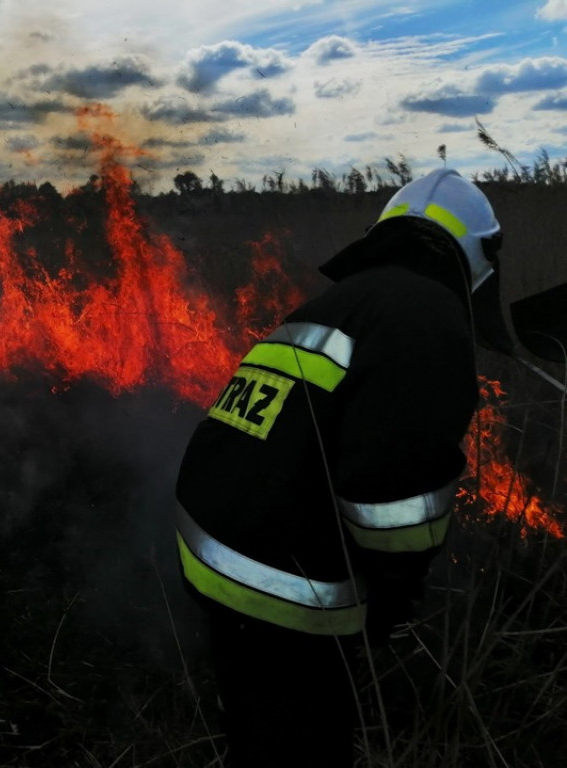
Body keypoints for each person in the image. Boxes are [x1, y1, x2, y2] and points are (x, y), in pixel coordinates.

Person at [174, 168, 508, 767]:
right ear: (479, 256)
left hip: (208, 546)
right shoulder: (428, 312)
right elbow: (391, 502)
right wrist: (391, 605)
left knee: (255, 734)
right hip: (281, 591)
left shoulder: (340, 303)